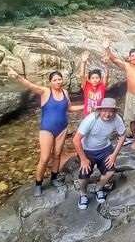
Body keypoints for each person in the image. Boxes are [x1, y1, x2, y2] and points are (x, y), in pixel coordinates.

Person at [8, 67, 83, 197]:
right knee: (44, 158)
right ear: (50, 82)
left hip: (63, 128)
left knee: (58, 154)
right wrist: (17, 77)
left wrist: (85, 106)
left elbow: (70, 108)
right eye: (55, 80)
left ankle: (54, 178)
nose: (58, 82)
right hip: (47, 129)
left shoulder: (65, 92)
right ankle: (38, 184)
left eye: (60, 79)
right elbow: (30, 85)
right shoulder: (45, 92)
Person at [73, 98, 127, 210]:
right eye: (105, 110)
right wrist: (83, 159)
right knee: (84, 174)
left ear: (115, 112)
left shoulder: (117, 119)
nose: (107, 114)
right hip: (87, 149)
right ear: (100, 110)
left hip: (104, 148)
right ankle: (83, 194)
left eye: (111, 111)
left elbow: (122, 136)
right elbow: (76, 139)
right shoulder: (91, 119)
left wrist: (114, 155)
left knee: (110, 170)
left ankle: (98, 188)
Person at [79, 51, 106, 116]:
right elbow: (82, 75)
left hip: (99, 114)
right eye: (93, 78)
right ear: (89, 79)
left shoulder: (102, 86)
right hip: (88, 114)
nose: (95, 80)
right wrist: (83, 62)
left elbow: (106, 75)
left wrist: (105, 64)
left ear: (100, 79)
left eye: (97, 78)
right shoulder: (86, 86)